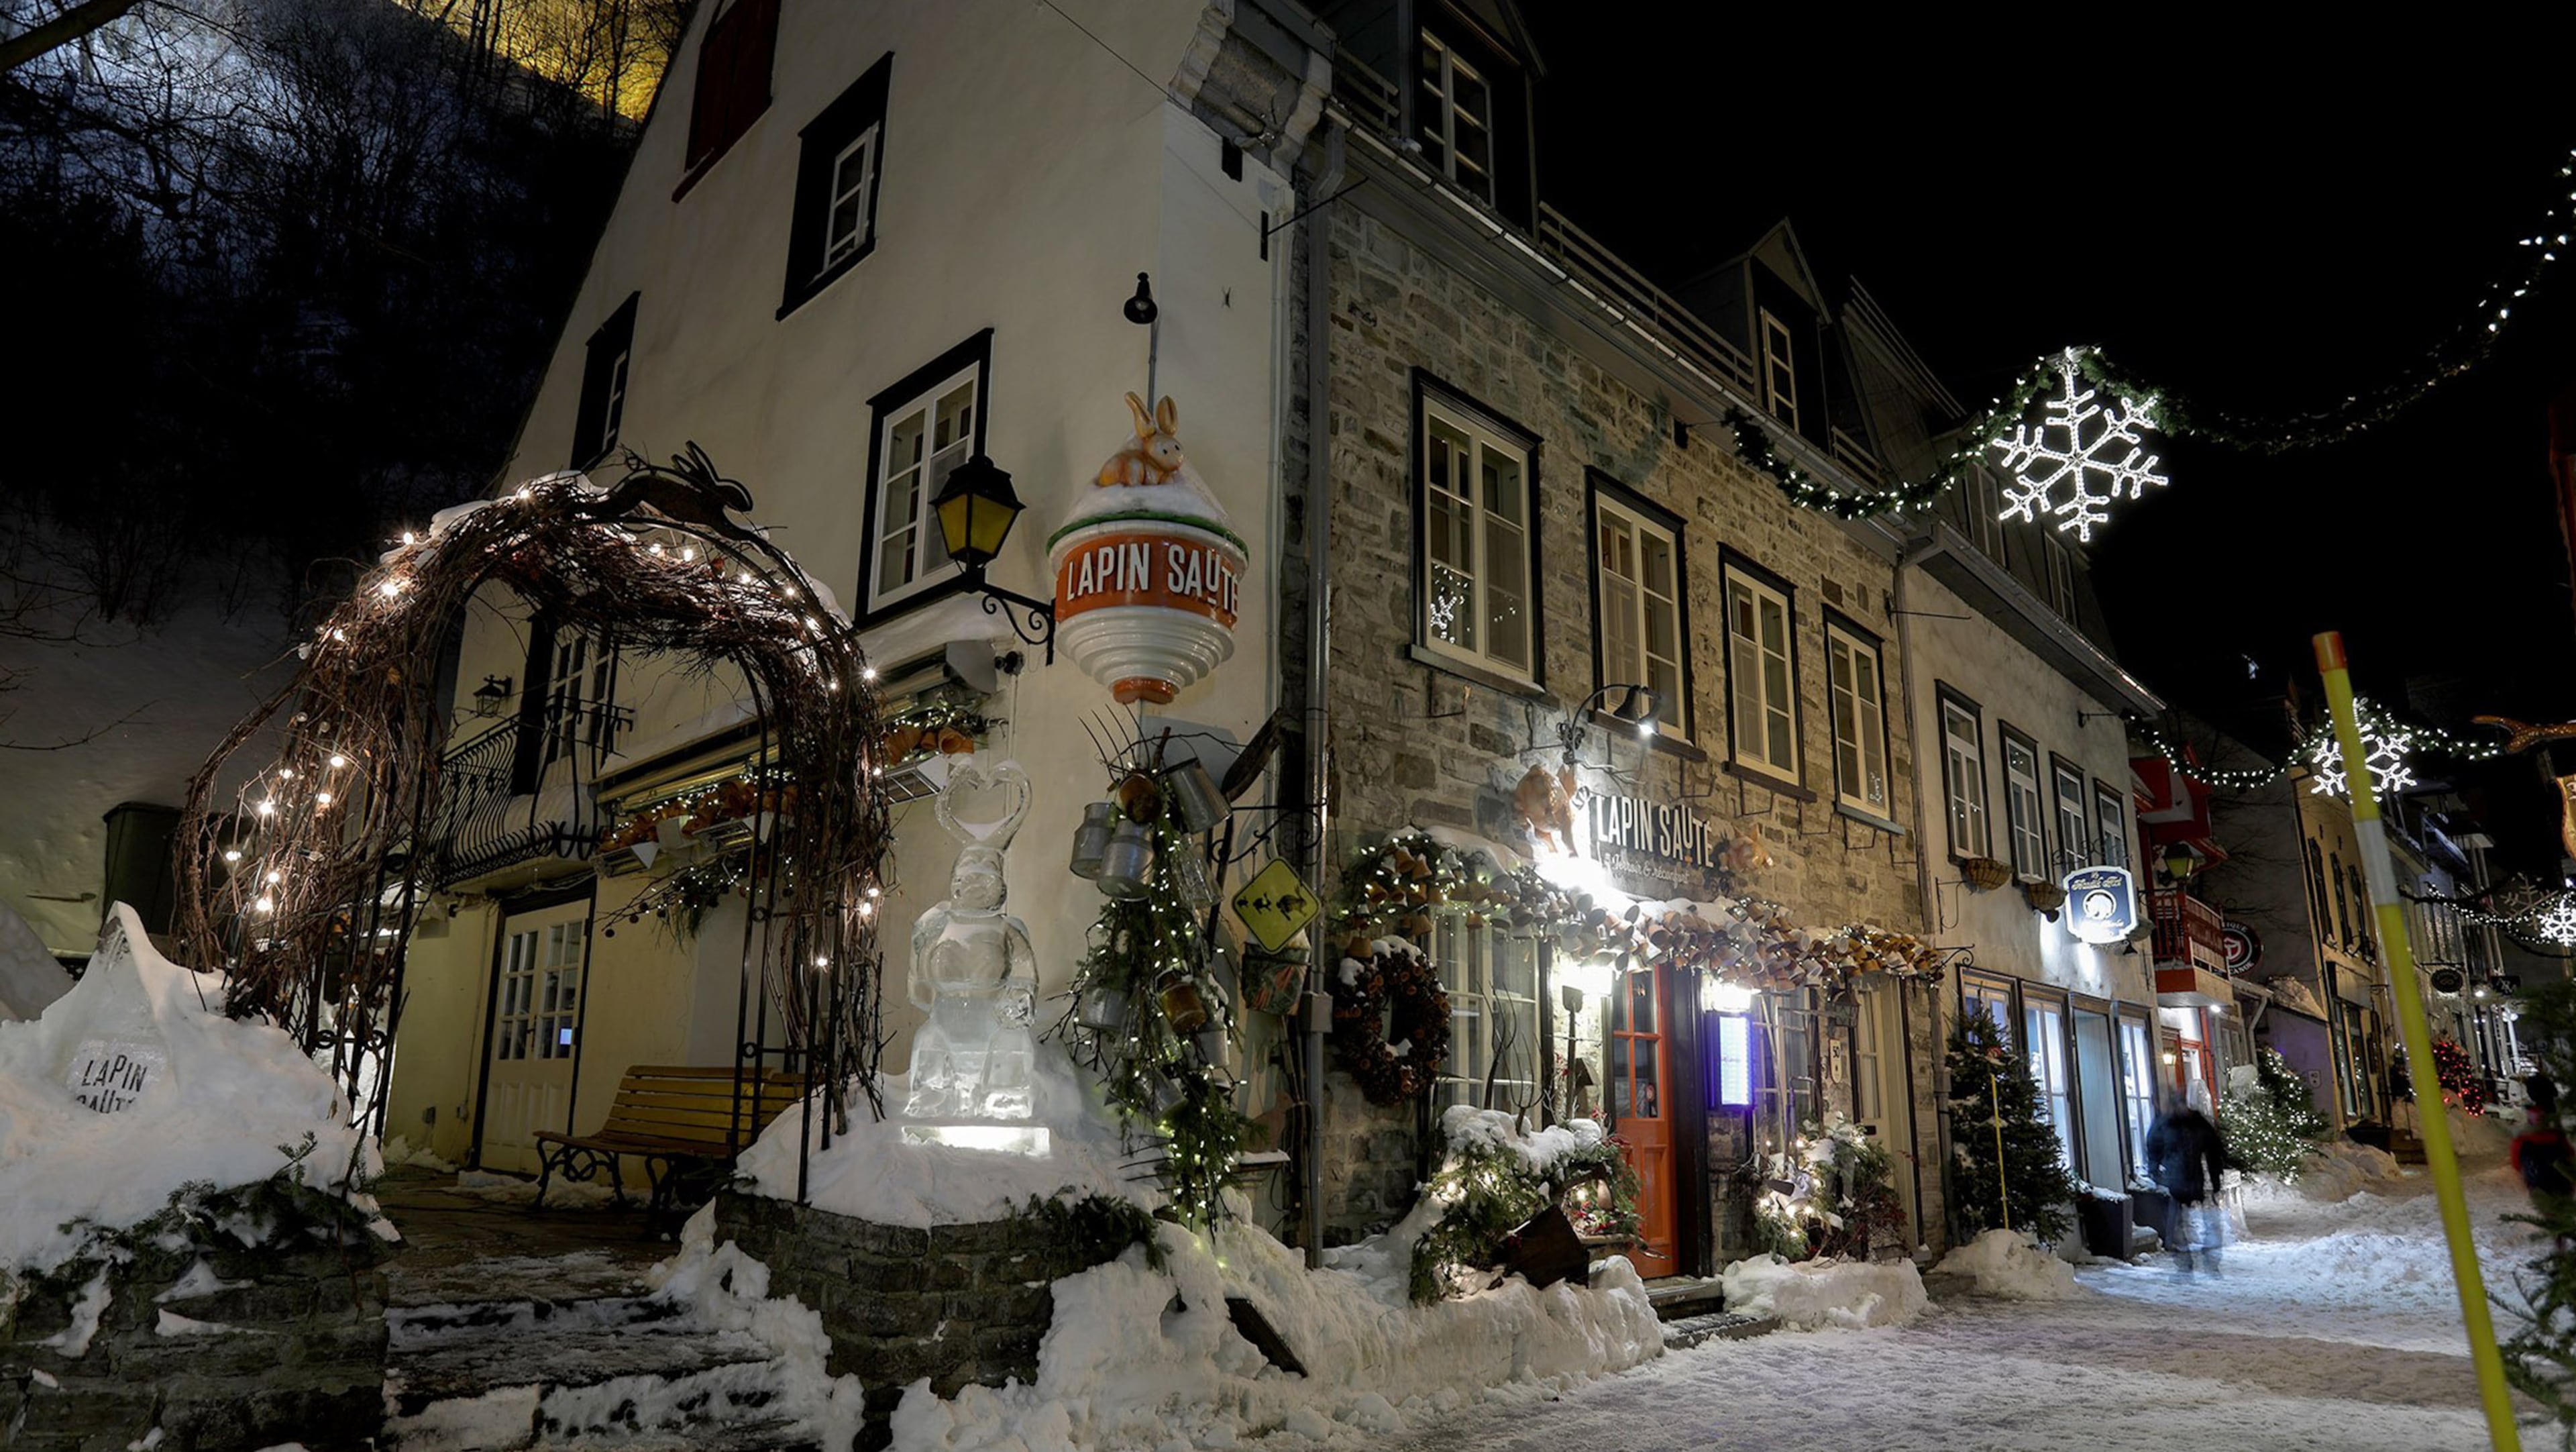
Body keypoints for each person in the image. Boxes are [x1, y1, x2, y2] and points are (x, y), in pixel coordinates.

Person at [2146, 1089, 2231, 1274]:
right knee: (2186, 1224)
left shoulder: (2172, 1124)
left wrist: (2215, 1178)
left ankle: (2199, 1263)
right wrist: (2155, 1171)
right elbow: (2154, 1149)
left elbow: (2214, 1152)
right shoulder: (2177, 1124)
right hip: (2178, 1181)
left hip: (2187, 1180)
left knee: (2185, 1225)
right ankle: (2193, 1264)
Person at [2512, 1105, 2575, 1216]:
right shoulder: (2558, 1136)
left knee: (2549, 1216)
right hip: (2563, 1183)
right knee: (2565, 1213)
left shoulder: (2521, 1140)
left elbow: (2516, 1164)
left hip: (2538, 1185)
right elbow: (2571, 1155)